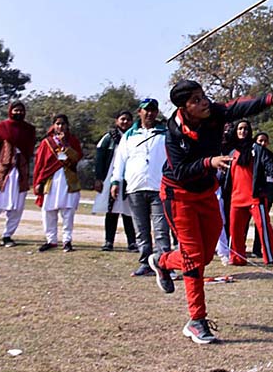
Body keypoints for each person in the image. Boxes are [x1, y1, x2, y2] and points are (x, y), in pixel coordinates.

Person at [148, 80, 273, 344]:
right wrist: (209, 161)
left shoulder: (213, 112)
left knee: (203, 258)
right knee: (192, 258)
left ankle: (163, 261)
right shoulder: (174, 132)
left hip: (206, 193)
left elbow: (238, 107)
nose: (204, 102)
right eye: (196, 100)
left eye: (203, 96)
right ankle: (196, 320)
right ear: (184, 107)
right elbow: (179, 171)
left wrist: (271, 99)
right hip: (178, 195)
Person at [110, 98, 170, 277]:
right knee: (141, 230)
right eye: (146, 110)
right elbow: (120, 160)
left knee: (161, 229)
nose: (150, 113)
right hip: (135, 186)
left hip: (159, 187)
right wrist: (116, 181)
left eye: (153, 110)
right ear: (140, 112)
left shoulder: (165, 133)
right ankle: (145, 262)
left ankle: (164, 263)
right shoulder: (129, 134)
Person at [0, 101, 36, 248]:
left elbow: (29, 151)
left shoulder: (28, 130)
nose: (18, 113)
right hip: (2, 172)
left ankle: (7, 236)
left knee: (17, 207)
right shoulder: (3, 127)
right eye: (16, 110)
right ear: (11, 111)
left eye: (21, 110)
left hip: (20, 173)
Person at [225, 120, 273, 271]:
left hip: (255, 196)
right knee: (235, 229)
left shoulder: (257, 149)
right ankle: (237, 257)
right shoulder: (232, 151)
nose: (243, 131)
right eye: (240, 129)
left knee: (264, 227)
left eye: (245, 129)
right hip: (236, 198)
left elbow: (268, 163)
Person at [33, 114, 83, 252]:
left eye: (63, 124)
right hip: (50, 180)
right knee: (49, 211)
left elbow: (76, 158)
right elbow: (40, 164)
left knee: (68, 212)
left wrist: (65, 146)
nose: (60, 126)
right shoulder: (47, 143)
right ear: (53, 125)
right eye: (57, 124)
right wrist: (38, 182)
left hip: (68, 180)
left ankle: (67, 241)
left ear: (67, 126)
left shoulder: (73, 141)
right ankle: (51, 240)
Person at [93, 110, 137, 252]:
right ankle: (108, 241)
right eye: (122, 119)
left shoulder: (134, 136)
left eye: (128, 120)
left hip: (129, 179)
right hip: (111, 178)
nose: (125, 122)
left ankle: (132, 242)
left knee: (128, 211)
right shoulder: (108, 138)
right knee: (111, 211)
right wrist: (99, 178)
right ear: (116, 121)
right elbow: (99, 159)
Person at [251, 131, 273, 258]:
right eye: (259, 141)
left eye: (264, 141)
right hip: (250, 192)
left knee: (262, 222)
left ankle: (258, 249)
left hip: (266, 192)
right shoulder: (251, 155)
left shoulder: (272, 157)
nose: (262, 143)